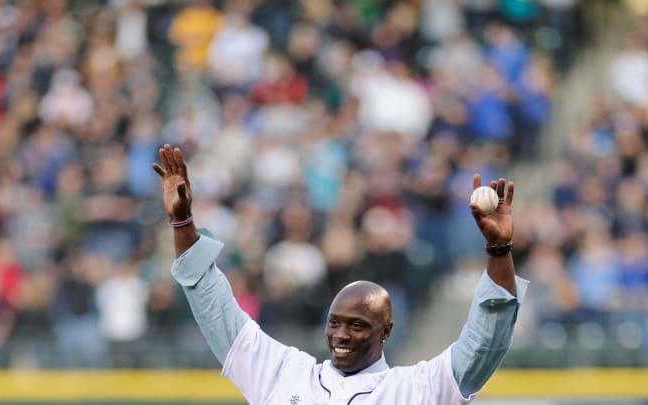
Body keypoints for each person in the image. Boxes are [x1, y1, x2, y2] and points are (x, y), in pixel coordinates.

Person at [152, 144, 528, 404]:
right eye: (335, 323)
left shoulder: (416, 389)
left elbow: (485, 343)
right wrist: (183, 222)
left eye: (357, 325)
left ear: (386, 332)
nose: (341, 334)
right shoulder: (283, 373)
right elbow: (214, 308)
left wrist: (498, 251)